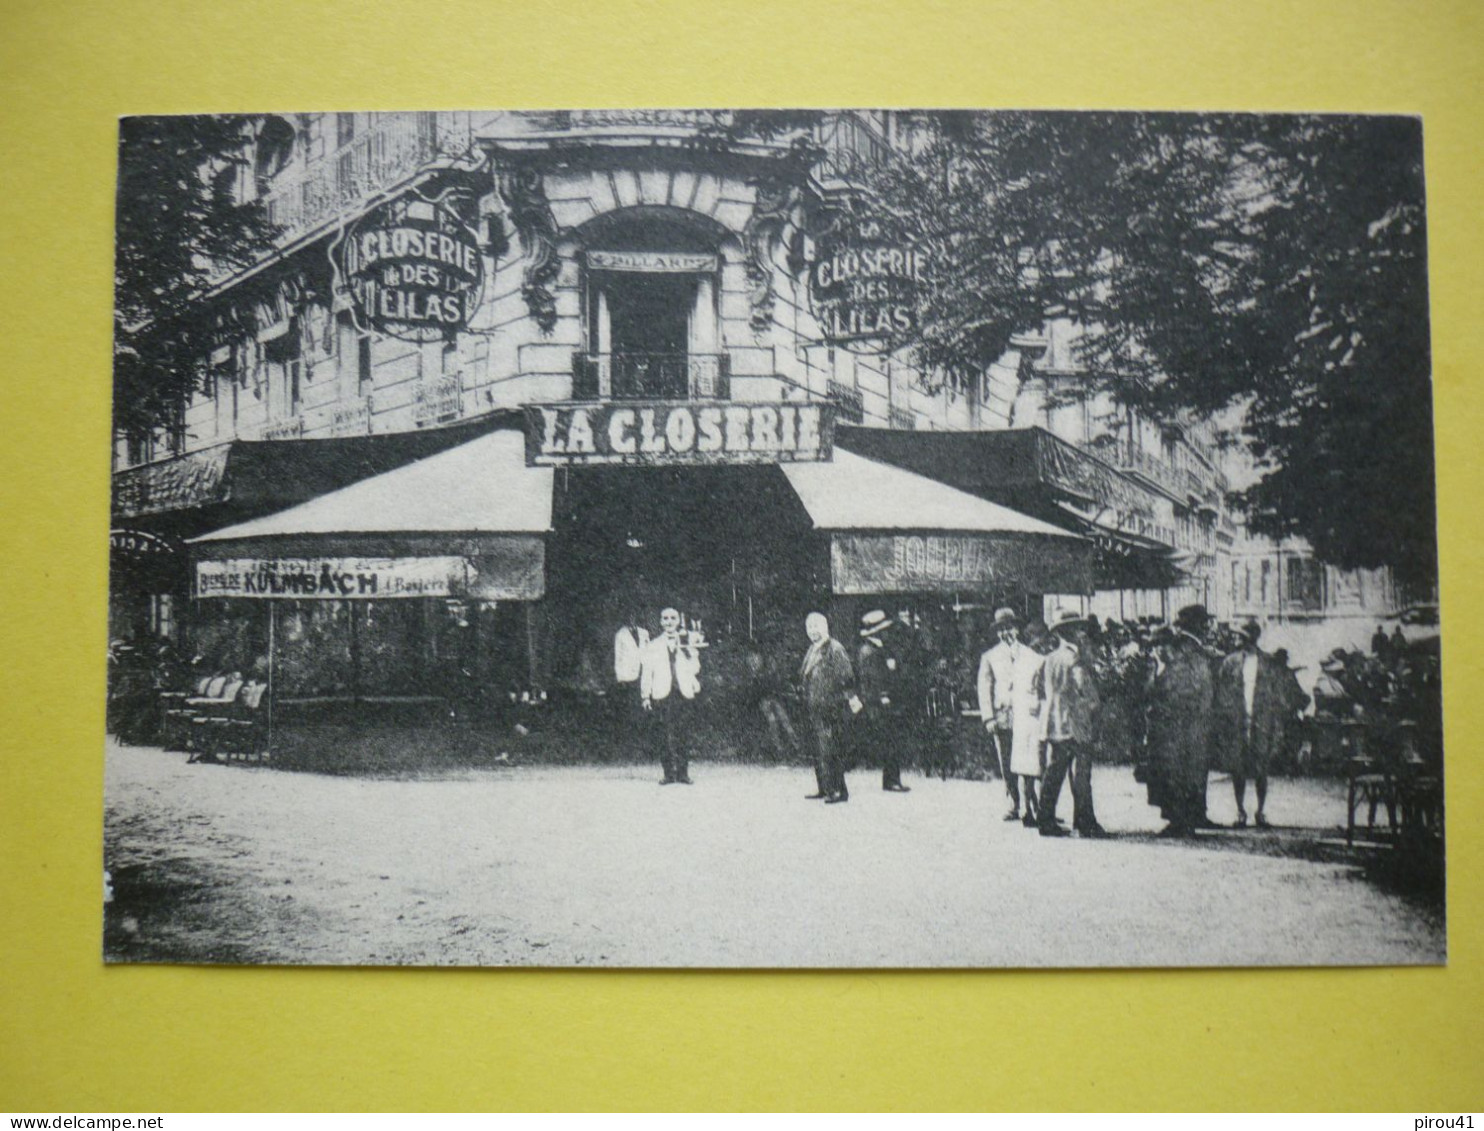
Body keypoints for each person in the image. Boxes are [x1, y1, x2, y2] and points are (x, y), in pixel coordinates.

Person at [1214, 621, 1311, 828]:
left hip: (1262, 722)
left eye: (1241, 636)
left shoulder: (1268, 663)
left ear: (1251, 637)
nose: (1237, 639)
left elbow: (1277, 696)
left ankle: (1260, 811)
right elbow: (1222, 693)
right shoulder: (1230, 662)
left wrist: (1275, 722)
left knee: (1261, 769)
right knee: (1237, 768)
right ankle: (1240, 811)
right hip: (1238, 721)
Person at [1145, 604, 1217, 837]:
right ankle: (1183, 820)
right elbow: (1181, 686)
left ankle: (1186, 819)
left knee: (1183, 770)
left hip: (1186, 723)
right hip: (1186, 723)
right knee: (1183, 771)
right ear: (1197, 625)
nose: (1208, 626)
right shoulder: (1188, 649)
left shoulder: (1190, 648)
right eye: (1204, 622)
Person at [1034, 611, 1106, 838]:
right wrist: (1094, 705)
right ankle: (1085, 823)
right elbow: (1087, 691)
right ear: (1071, 632)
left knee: (1054, 772)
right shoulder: (1075, 660)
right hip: (1076, 723)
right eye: (1078, 628)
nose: (1082, 632)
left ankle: (1045, 821)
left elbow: (1042, 690)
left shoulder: (1050, 659)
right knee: (1081, 774)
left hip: (1055, 723)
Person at [799, 611, 860, 803]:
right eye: (809, 627)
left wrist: (849, 700)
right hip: (815, 707)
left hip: (831, 707)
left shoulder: (835, 649)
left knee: (830, 750)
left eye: (816, 626)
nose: (813, 631)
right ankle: (824, 787)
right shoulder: (812, 649)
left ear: (825, 627)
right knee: (818, 750)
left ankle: (838, 790)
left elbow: (847, 678)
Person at [639, 607, 703, 785]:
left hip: (682, 693)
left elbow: (696, 669)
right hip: (661, 693)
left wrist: (690, 653)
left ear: (678, 621)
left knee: (683, 733)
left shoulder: (687, 643)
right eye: (665, 618)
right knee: (663, 734)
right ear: (660, 622)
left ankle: (683, 773)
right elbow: (647, 672)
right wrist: (645, 696)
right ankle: (668, 774)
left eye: (672, 618)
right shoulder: (653, 646)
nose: (669, 622)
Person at [976, 607, 1025, 821]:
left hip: (1026, 715)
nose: (1006, 633)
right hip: (1002, 716)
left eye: (1010, 628)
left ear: (1017, 629)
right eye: (1001, 630)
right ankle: (1014, 803)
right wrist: (989, 717)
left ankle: (1034, 805)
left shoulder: (1029, 652)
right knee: (1007, 762)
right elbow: (984, 688)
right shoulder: (990, 656)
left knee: (1032, 761)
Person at [856, 610, 911, 792]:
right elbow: (872, 680)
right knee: (890, 742)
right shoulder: (869, 651)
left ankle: (891, 779)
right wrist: (883, 696)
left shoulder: (879, 649)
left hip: (884, 702)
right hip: (880, 704)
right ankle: (891, 781)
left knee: (891, 741)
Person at [1007, 618, 1051, 828]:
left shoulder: (1019, 661)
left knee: (1025, 768)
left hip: (1021, 718)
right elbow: (1043, 691)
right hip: (1035, 718)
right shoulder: (1041, 661)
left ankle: (1027, 809)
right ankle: (1041, 811)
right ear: (1036, 638)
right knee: (1039, 765)